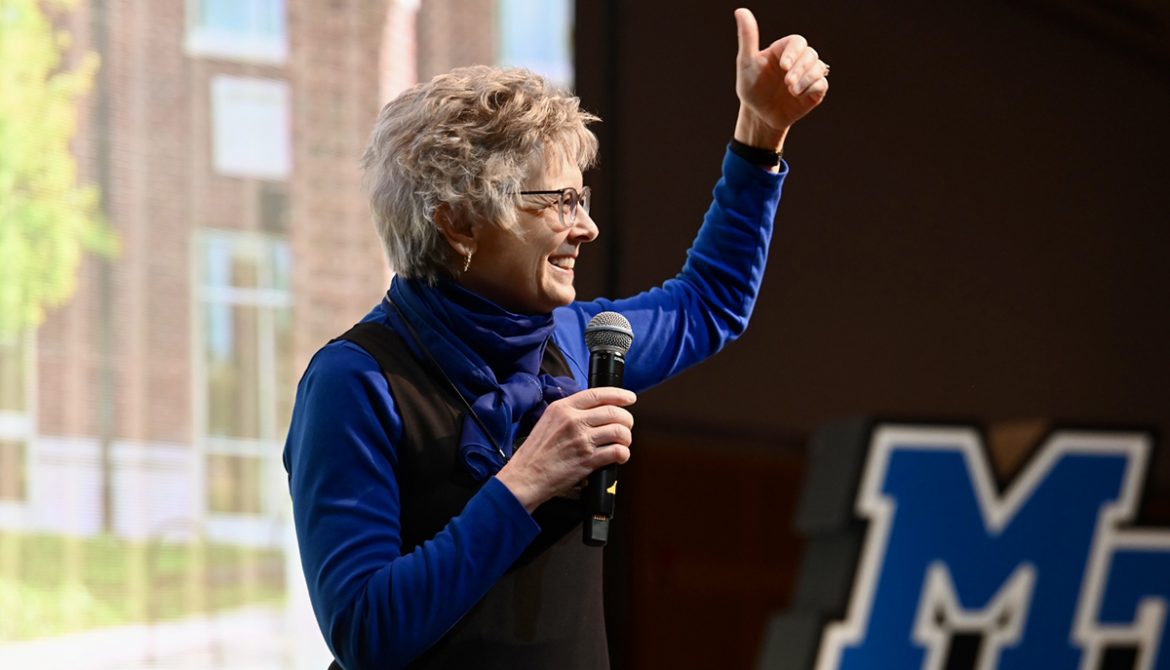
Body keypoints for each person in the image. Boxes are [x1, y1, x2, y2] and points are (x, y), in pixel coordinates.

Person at [283, 8, 829, 669]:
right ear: (459, 222)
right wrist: (525, 482)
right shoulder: (355, 381)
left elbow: (709, 303)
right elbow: (364, 630)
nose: (586, 227)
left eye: (584, 199)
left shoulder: (576, 342)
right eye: (560, 202)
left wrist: (761, 133)